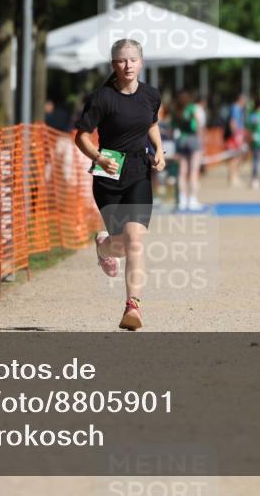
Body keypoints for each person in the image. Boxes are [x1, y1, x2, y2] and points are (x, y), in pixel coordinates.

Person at [73, 39, 166, 331]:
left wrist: (159, 150)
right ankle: (104, 248)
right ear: (113, 64)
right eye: (122, 61)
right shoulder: (102, 98)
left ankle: (132, 307)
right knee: (122, 246)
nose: (128, 66)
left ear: (141, 62)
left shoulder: (151, 95)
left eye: (133, 60)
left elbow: (151, 123)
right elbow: (82, 137)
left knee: (135, 241)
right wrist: (99, 159)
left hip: (139, 172)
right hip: (108, 176)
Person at [173, 89, 206, 211]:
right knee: (193, 171)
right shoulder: (193, 108)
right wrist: (201, 140)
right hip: (193, 139)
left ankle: (182, 200)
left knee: (182, 172)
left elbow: (173, 127)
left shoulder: (176, 109)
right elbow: (198, 124)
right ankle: (192, 200)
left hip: (182, 140)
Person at [223, 93, 248, 188]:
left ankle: (235, 176)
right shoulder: (235, 108)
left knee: (238, 157)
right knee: (234, 157)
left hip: (238, 134)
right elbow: (233, 122)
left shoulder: (238, 109)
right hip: (235, 136)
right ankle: (232, 178)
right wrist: (236, 135)